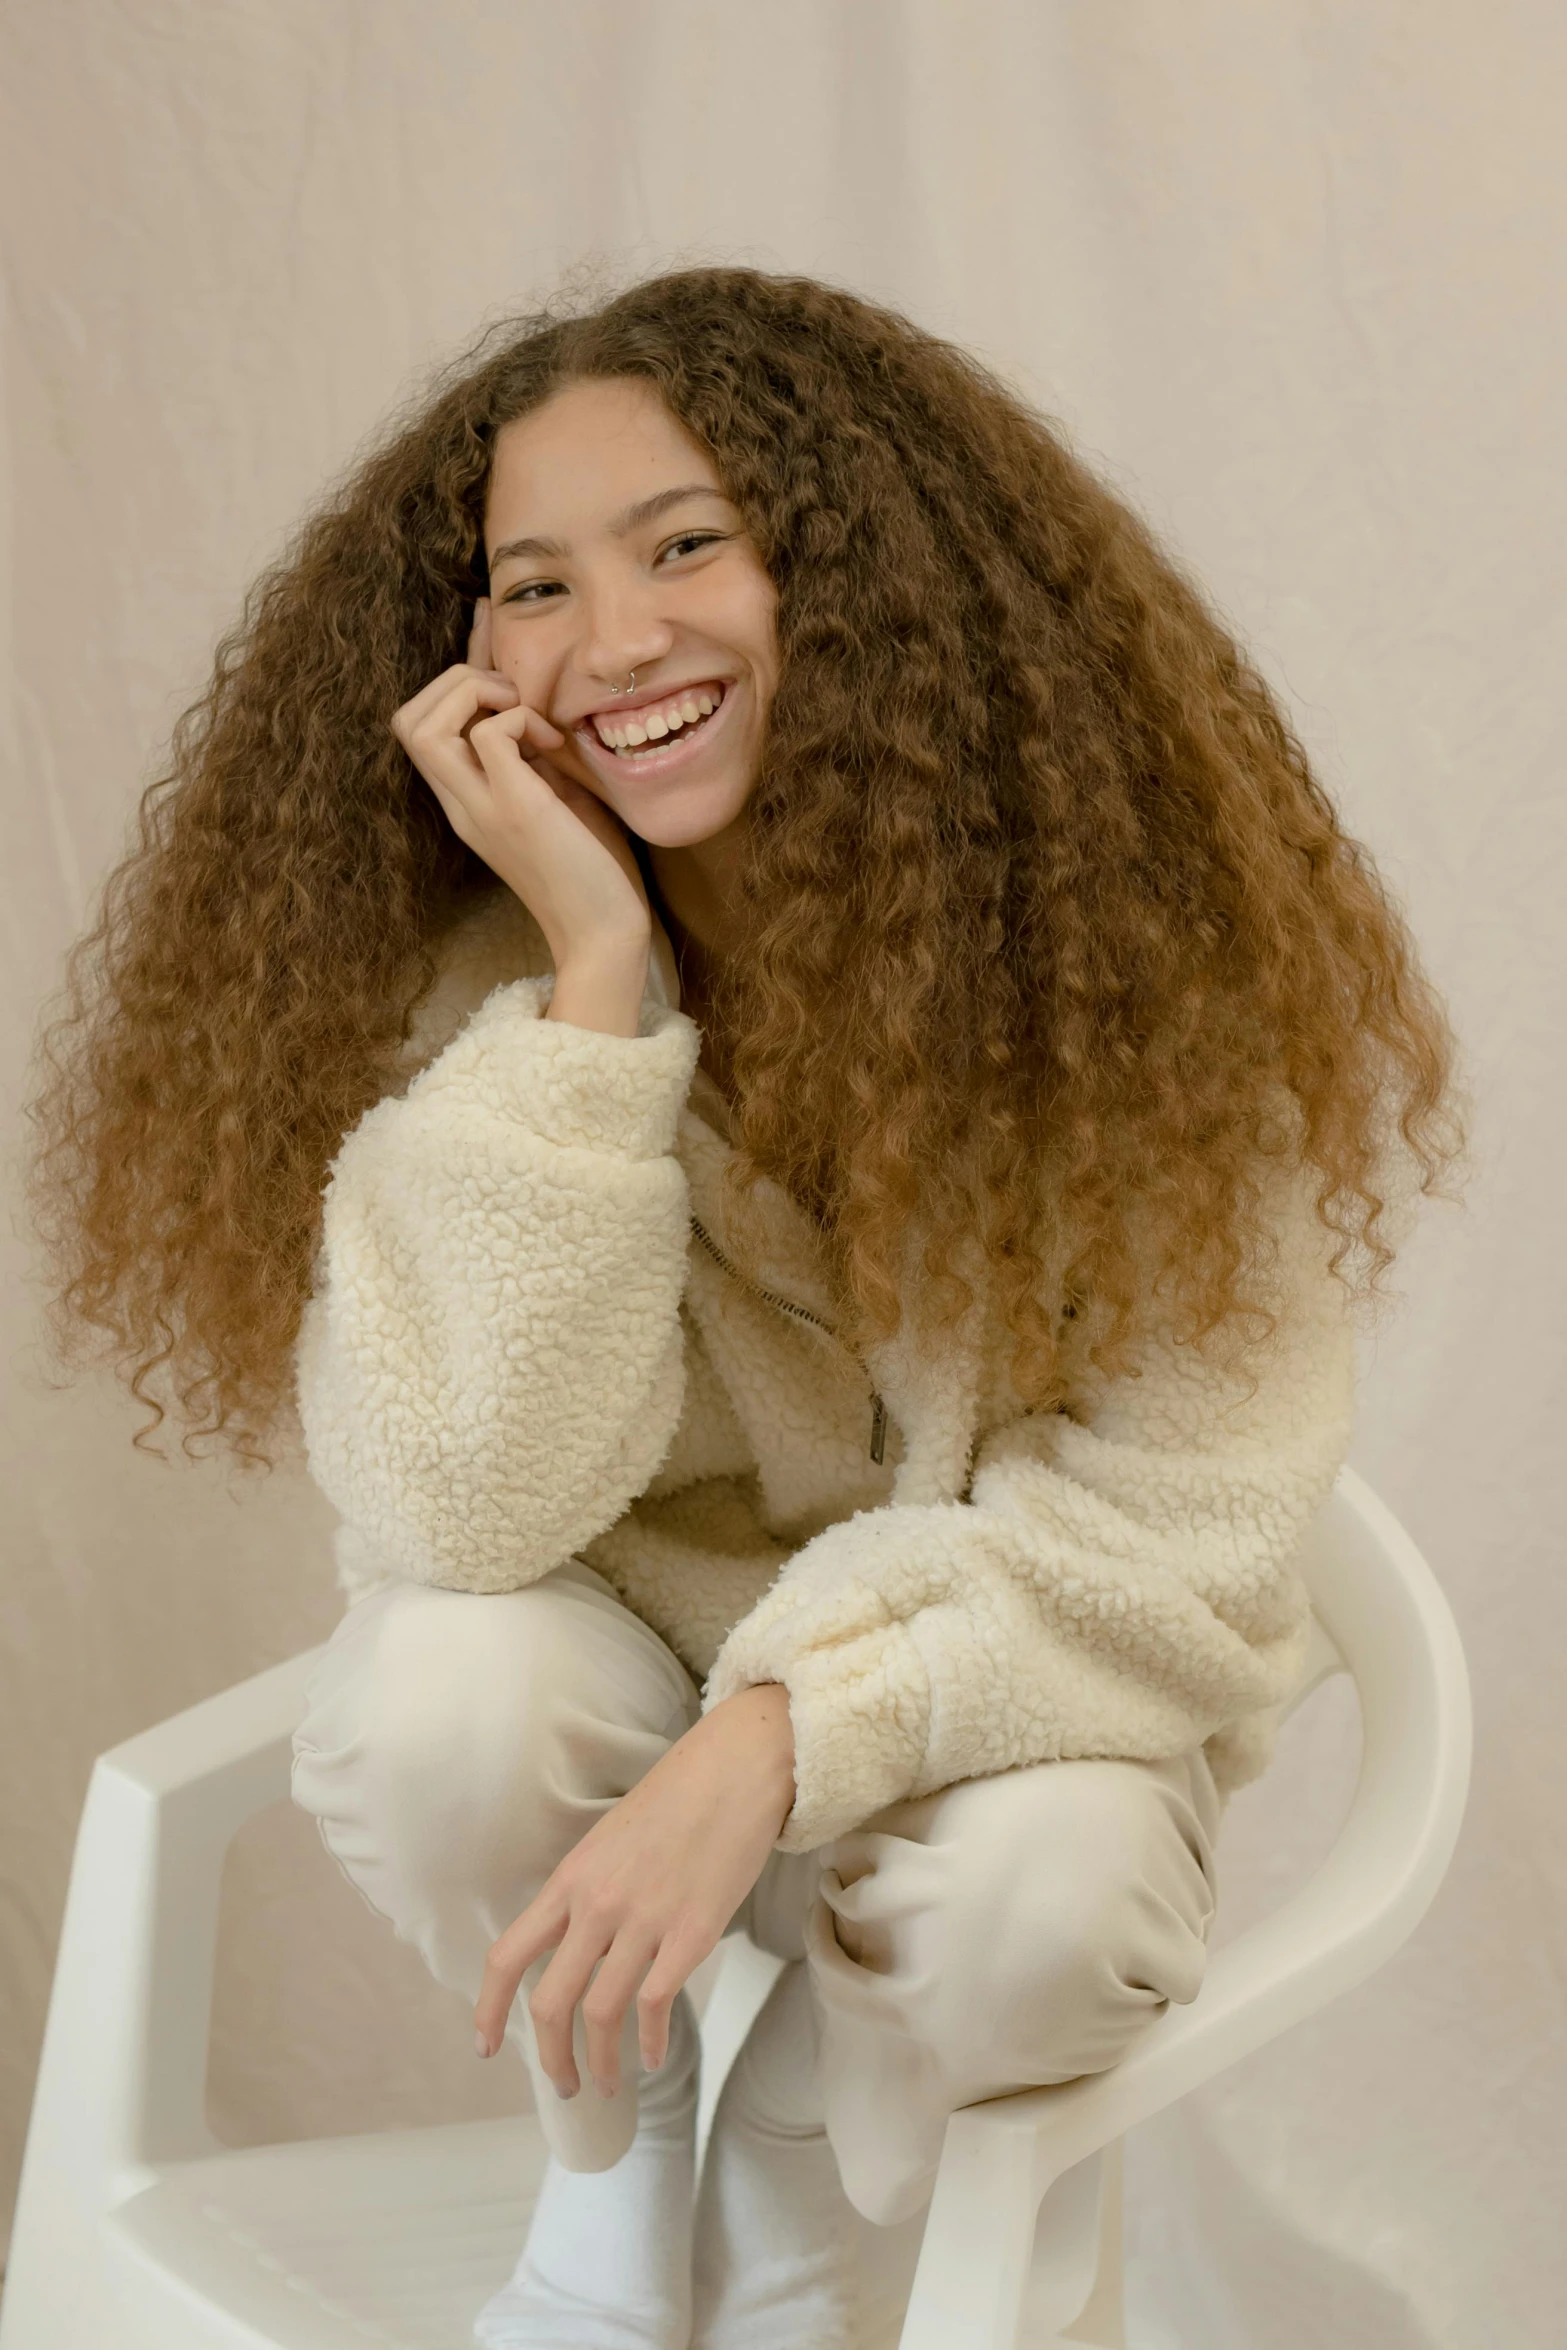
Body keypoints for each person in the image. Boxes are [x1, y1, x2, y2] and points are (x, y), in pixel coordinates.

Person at [23, 267, 1464, 2350]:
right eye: (532, 585)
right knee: (436, 1703)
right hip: (626, 1718)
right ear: (468, 657)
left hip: (987, 1742)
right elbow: (455, 1513)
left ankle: (790, 2169)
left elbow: (1193, 1519)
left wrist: (791, 1734)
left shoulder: (1137, 986)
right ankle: (613, 2177)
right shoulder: (474, 1008)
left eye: (687, 541)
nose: (611, 641)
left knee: (1047, 1907)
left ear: (855, 578)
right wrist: (594, 984)